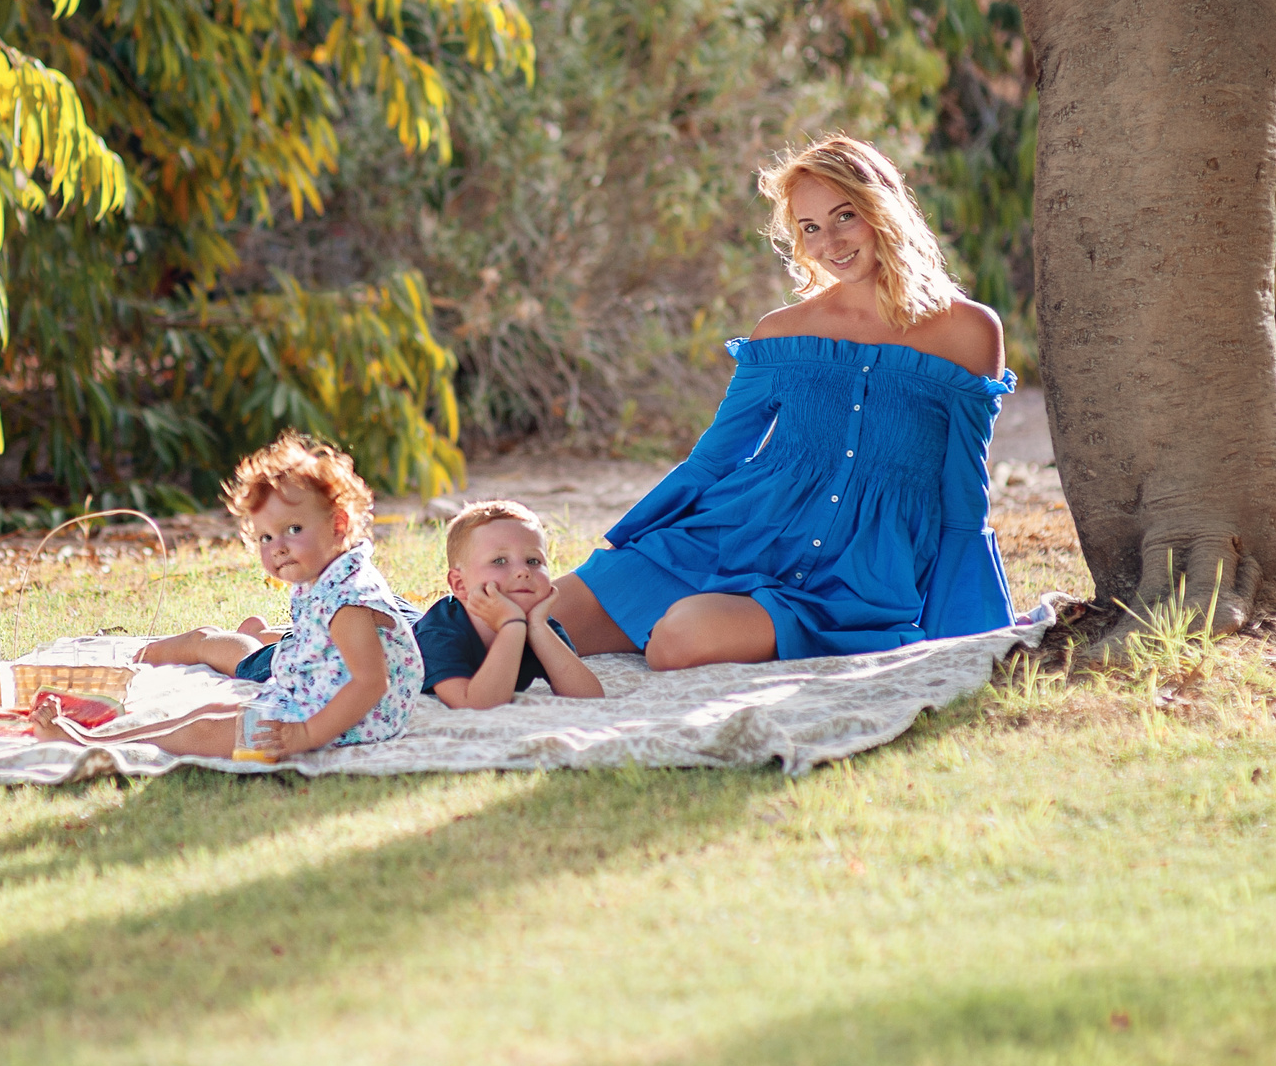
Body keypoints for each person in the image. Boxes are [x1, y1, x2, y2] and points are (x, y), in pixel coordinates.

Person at [544, 135, 1016, 669]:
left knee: (678, 640)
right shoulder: (781, 333)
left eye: (844, 216)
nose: (829, 242)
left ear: (882, 209)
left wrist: (966, 627)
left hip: (855, 581)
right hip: (738, 535)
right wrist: (635, 541)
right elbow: (715, 459)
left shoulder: (967, 331)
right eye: (809, 227)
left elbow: (963, 488)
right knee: (528, 617)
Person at [105, 432, 424, 758]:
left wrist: (306, 733)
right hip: (318, 690)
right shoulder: (324, 573)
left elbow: (371, 683)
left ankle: (106, 740)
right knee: (213, 711)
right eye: (266, 538)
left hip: (352, 717)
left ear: (338, 525)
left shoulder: (348, 603)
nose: (278, 548)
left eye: (294, 530)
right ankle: (123, 727)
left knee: (206, 730)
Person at [415, 501, 605, 708]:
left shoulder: (539, 624)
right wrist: (512, 627)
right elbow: (474, 705)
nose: (523, 571)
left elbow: (588, 695)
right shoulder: (439, 631)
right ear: (460, 584)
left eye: (533, 561)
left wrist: (537, 627)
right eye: (499, 561)